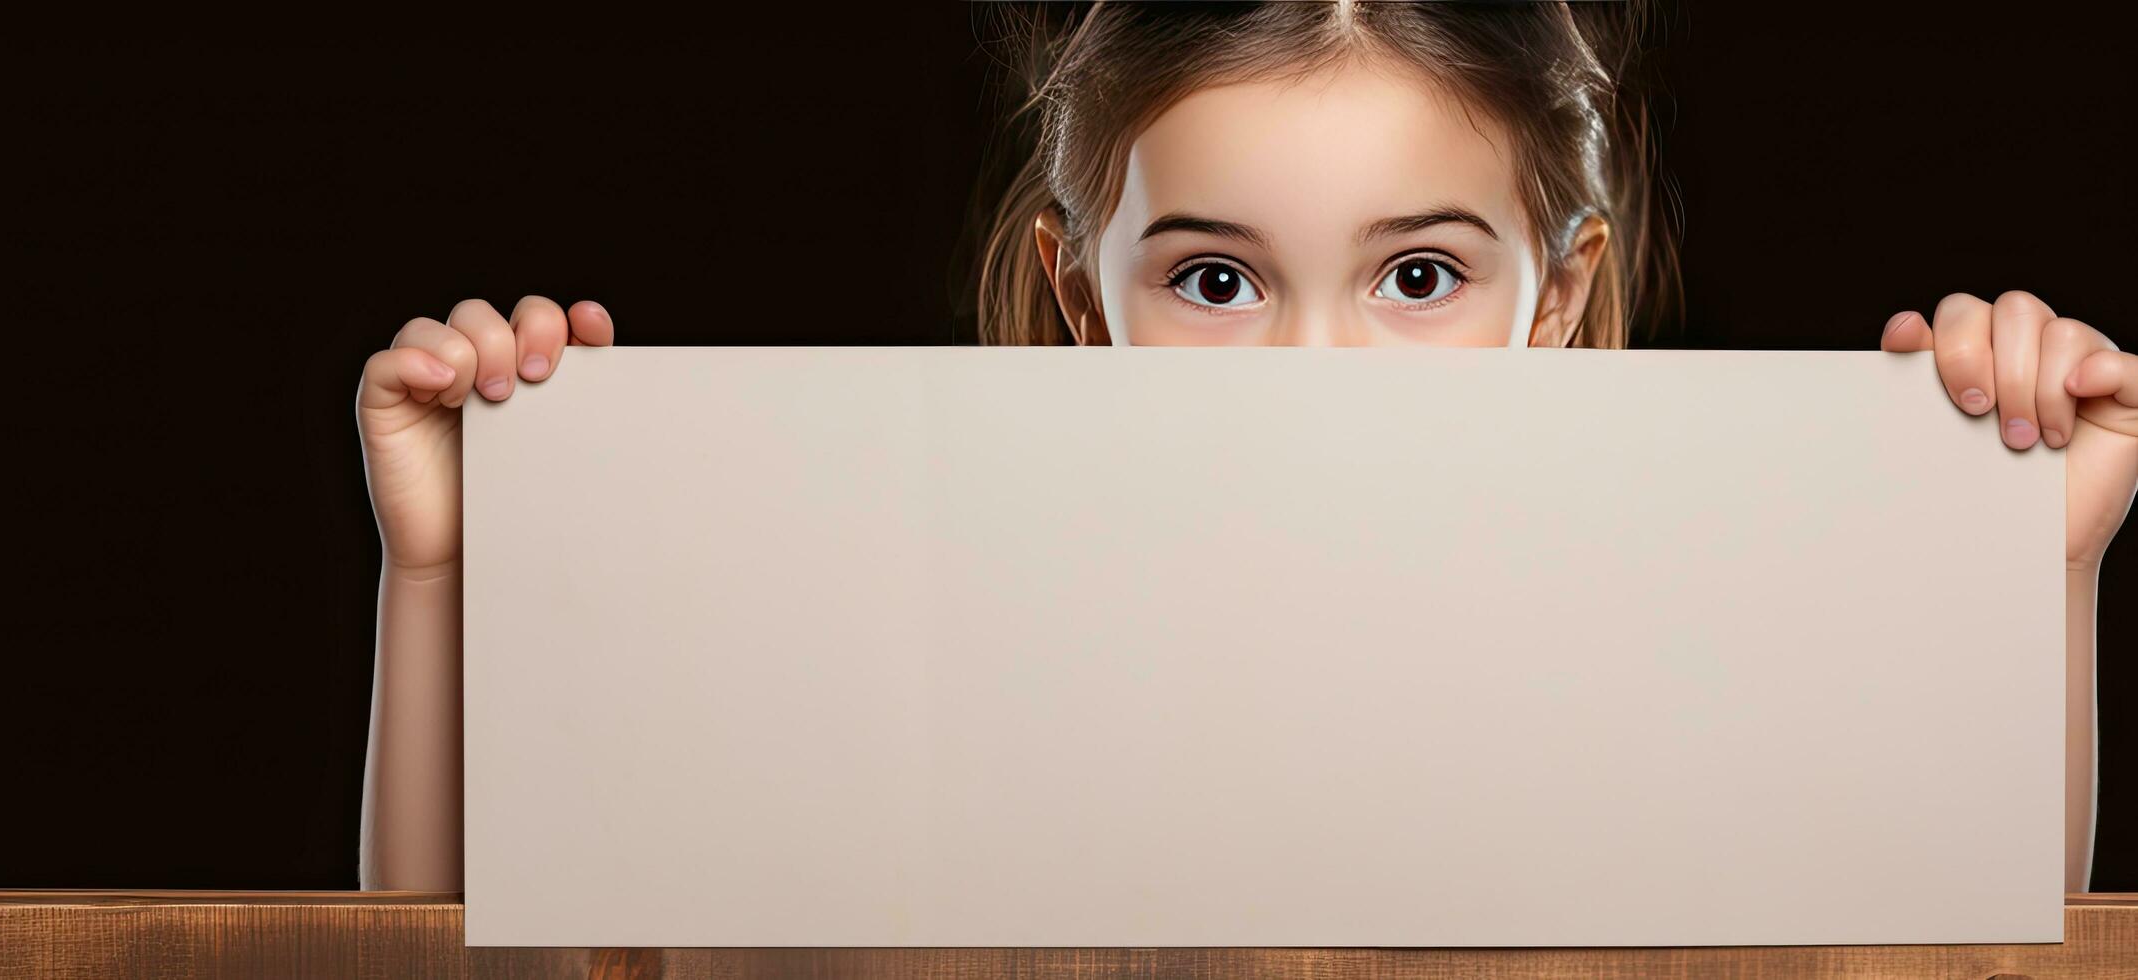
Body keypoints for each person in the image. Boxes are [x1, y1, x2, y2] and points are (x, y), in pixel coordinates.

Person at [354, 0, 2136, 893]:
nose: (1310, 358)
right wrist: (439, 573)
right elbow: (445, 943)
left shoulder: (1681, 652)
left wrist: (2030, 563)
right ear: (1075, 289)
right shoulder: (904, 644)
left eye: (1419, 273)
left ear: (1564, 294)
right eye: (1215, 275)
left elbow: (1979, 935)